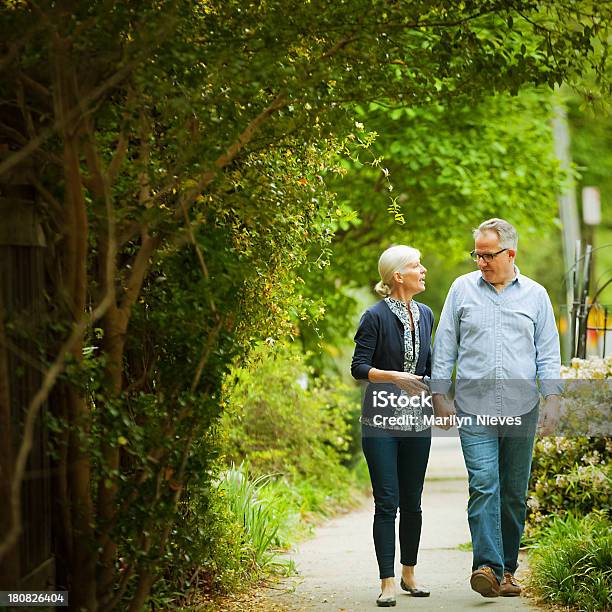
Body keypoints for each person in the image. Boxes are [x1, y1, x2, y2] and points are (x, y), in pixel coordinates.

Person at [432, 218, 562, 598]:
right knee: (484, 484)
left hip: (522, 408)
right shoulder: (461, 290)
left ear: (511, 254)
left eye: (488, 255)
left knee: (513, 493)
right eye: (477, 254)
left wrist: (552, 398)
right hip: (474, 409)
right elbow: (446, 346)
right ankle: (486, 566)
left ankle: (506, 571)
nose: (481, 261)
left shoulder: (536, 295)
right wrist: (440, 396)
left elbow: (548, 352)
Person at [351, 245, 434, 607]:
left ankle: (409, 573)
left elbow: (429, 365)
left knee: (412, 502)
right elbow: (359, 367)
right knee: (387, 502)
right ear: (398, 276)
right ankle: (387, 581)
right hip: (380, 420)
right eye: (416, 266)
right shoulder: (374, 316)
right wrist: (393, 378)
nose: (423, 270)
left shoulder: (427, 314)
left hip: (418, 418)